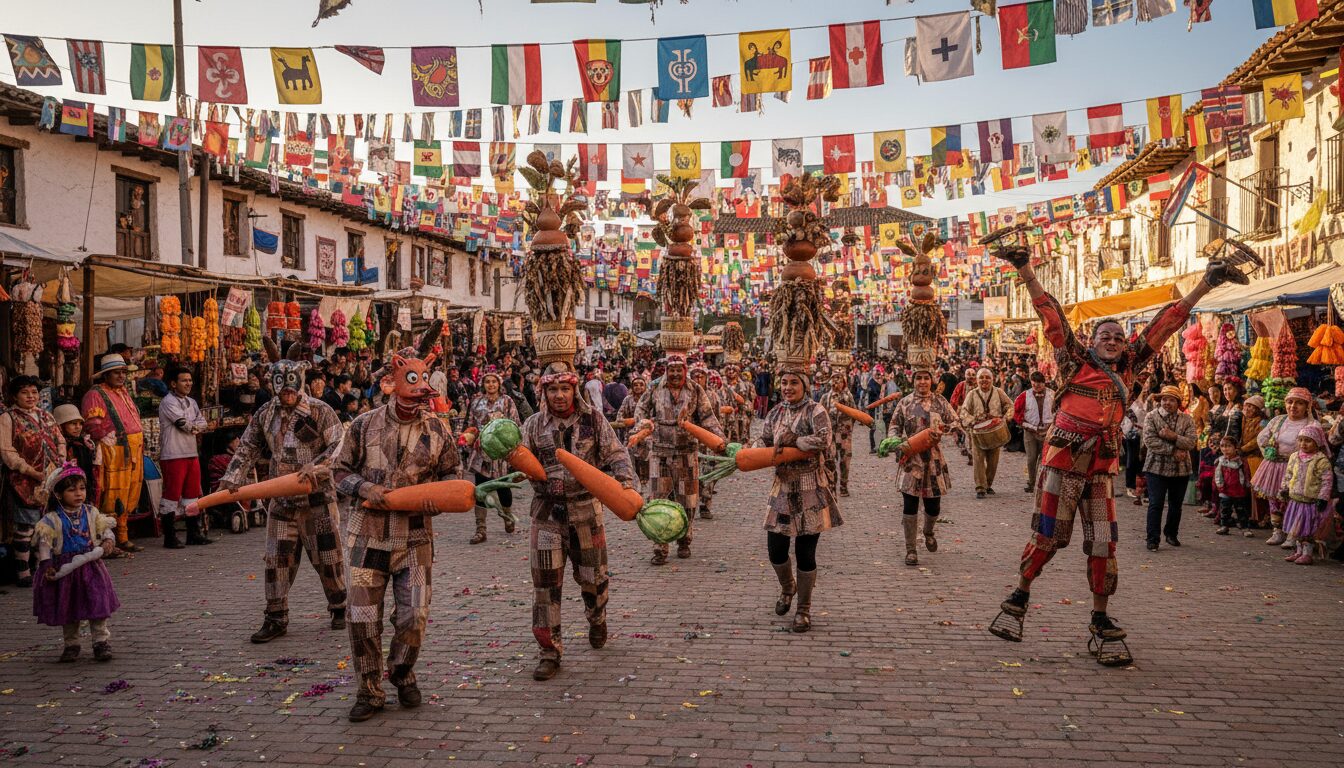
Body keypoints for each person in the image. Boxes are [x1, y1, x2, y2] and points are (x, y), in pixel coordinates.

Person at [985, 227, 1230, 665]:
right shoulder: (1073, 360)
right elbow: (1053, 318)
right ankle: (1018, 597)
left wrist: (1206, 283)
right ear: (1092, 342)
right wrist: (1025, 269)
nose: (1114, 340)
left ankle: (1100, 617)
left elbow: (1167, 322)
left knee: (1104, 542)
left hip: (1101, 468)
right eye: (1106, 336)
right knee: (1050, 536)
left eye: (1119, 336)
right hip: (1063, 461)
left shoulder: (1134, 364)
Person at [332, 327, 484, 722]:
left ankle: (401, 672)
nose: (418, 401)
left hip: (415, 538)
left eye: (423, 394)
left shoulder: (437, 430)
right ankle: (368, 688)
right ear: (392, 387)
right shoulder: (363, 426)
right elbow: (338, 472)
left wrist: (436, 499)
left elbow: (455, 473)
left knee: (413, 616)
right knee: (363, 618)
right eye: (411, 391)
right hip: (367, 537)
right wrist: (366, 488)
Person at [208, 344, 347, 645]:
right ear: (272, 384)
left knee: (328, 557)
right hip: (281, 502)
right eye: (280, 385)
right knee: (276, 559)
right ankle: (275, 616)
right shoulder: (264, 414)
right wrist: (231, 478)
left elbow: (339, 445)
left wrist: (319, 466)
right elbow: (246, 447)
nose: (287, 392)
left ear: (302, 381)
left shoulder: (320, 412)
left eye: (292, 384)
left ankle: (339, 605)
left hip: (317, 500)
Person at [520, 360, 636, 680]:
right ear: (544, 391)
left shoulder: (593, 420)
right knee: (545, 586)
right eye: (552, 389)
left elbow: (616, 453)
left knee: (594, 579)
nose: (559, 395)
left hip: (586, 511)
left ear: (575, 390)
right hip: (546, 514)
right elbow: (519, 458)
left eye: (565, 388)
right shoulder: (532, 425)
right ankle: (549, 651)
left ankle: (596, 616)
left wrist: (625, 483)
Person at [758, 368, 841, 632]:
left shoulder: (816, 411)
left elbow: (824, 439)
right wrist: (744, 453)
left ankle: (803, 610)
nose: (788, 387)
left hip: (810, 489)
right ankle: (787, 587)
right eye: (784, 382)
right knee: (776, 550)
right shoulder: (775, 412)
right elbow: (764, 440)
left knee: (806, 553)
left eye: (794, 383)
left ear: (805, 386)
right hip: (782, 488)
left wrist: (797, 442)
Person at [635, 354, 722, 564]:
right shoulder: (655, 387)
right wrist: (644, 425)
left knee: (688, 500)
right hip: (660, 452)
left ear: (685, 370)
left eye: (679, 370)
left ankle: (684, 540)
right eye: (671, 370)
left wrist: (720, 441)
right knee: (658, 499)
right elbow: (641, 410)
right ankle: (660, 546)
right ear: (666, 370)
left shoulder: (695, 389)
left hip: (687, 452)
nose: (675, 374)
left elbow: (708, 417)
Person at [31, 463, 120, 662]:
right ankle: (71, 643)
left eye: (82, 488)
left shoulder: (91, 512)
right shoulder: (52, 519)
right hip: (66, 570)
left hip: (91, 568)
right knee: (69, 606)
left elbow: (105, 530)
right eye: (72, 490)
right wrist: (46, 564)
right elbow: (45, 544)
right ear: (59, 494)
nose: (78, 494)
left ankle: (100, 641)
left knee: (96, 602)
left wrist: (107, 542)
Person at [880, 369, 957, 566]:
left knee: (933, 505)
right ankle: (911, 549)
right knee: (910, 503)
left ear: (932, 380)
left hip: (933, 460)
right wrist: (895, 440)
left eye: (926, 378)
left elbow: (955, 421)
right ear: (913, 381)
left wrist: (943, 430)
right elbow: (895, 424)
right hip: (910, 458)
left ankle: (929, 531)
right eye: (918, 378)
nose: (922, 382)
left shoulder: (940, 401)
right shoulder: (905, 402)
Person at [1, 376, 65, 585]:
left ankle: (41, 567)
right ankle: (23, 571)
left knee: (45, 525)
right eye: (24, 393)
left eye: (34, 392)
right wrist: (29, 471)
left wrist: (60, 463)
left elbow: (59, 440)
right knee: (26, 526)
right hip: (23, 480)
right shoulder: (8, 418)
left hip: (50, 479)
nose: (31, 397)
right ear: (14, 396)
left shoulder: (45, 415)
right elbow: (7, 451)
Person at [80, 354, 145, 553]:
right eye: (117, 372)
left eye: (123, 372)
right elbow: (92, 423)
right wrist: (106, 439)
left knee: (129, 492)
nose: (121, 376)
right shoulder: (96, 394)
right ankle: (107, 542)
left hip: (132, 449)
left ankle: (123, 537)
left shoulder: (123, 392)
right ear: (106, 374)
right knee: (112, 494)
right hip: (114, 450)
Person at [1254, 387, 1318, 548]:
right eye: (1290, 402)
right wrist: (1268, 451)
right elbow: (1262, 437)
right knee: (1274, 499)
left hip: (1298, 470)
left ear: (1307, 406)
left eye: (1299, 403)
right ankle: (1277, 531)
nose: (1293, 406)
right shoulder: (1278, 420)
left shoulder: (1312, 424)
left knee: (1294, 502)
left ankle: (1292, 534)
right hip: (1275, 466)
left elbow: (1319, 448)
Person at [463, 369, 521, 544]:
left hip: (502, 454)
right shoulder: (476, 403)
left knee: (504, 488)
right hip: (482, 455)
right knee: (480, 490)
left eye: (494, 382)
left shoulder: (507, 402)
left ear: (499, 384)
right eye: (487, 382)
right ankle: (481, 529)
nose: (491, 385)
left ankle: (508, 516)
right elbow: (470, 424)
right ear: (483, 384)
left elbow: (515, 423)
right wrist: (469, 437)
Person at [157, 367, 211, 549]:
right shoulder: (167, 402)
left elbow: (202, 422)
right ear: (173, 384)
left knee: (192, 494)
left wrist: (196, 426)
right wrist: (196, 427)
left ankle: (193, 533)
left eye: (190, 380)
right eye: (184, 380)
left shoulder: (192, 402)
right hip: (173, 453)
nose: (188, 383)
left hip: (191, 453)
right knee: (171, 495)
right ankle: (169, 536)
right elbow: (184, 424)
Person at [1142, 386, 1198, 551]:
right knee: (1156, 503)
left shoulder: (1187, 419)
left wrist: (1173, 436)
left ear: (1178, 403)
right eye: (1165, 399)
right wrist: (1173, 450)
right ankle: (1153, 538)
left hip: (1181, 469)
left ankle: (1171, 534)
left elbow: (1191, 442)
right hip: (1155, 468)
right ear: (1160, 400)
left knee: (1176, 504)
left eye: (1172, 400)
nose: (1167, 403)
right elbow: (1150, 441)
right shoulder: (1151, 417)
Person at [1278, 423, 1332, 566]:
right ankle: (1298, 551)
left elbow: (1326, 481)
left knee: (1306, 528)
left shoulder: (1320, 460)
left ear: (1317, 442)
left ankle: (1307, 553)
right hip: (1295, 499)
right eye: (1301, 440)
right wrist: (1284, 488)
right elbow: (1288, 474)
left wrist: (1323, 498)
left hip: (1310, 501)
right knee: (1296, 528)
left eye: (1307, 441)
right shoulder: (1295, 456)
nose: (1303, 444)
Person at [959, 368, 1013, 499]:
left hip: (995, 432)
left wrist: (1005, 418)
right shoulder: (972, 394)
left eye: (987, 377)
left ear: (992, 379)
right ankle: (980, 487)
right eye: (981, 377)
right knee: (978, 459)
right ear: (977, 380)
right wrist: (972, 421)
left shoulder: (999, 392)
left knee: (993, 461)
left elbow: (1010, 406)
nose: (984, 380)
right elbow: (964, 411)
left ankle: (988, 484)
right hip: (977, 432)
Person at [1013, 372, 1055, 493]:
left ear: (1044, 382)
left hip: (1048, 432)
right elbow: (1016, 414)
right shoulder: (1024, 396)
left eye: (1039, 383)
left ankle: (1043, 484)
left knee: (1044, 459)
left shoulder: (1053, 395)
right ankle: (1031, 482)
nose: (1036, 385)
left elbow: (1058, 411)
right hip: (1030, 432)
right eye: (1034, 382)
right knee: (1031, 458)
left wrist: (1051, 426)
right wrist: (1029, 426)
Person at [819, 369, 858, 497]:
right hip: (831, 435)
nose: (836, 382)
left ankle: (843, 485)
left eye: (839, 379)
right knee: (830, 460)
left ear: (844, 381)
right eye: (834, 379)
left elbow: (854, 413)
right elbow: (820, 414)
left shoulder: (848, 397)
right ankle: (831, 485)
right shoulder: (825, 397)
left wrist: (848, 428)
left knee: (845, 461)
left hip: (845, 435)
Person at [55, 404, 100, 501]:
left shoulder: (83, 443)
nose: (78, 427)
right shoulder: (59, 446)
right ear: (60, 426)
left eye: (80, 424)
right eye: (73, 424)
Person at [614, 377, 650, 491]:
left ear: (645, 386)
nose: (638, 387)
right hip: (629, 436)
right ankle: (634, 489)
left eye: (641, 384)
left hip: (647, 437)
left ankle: (646, 487)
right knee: (630, 464)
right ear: (632, 387)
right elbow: (619, 418)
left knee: (646, 463)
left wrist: (639, 422)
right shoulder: (627, 400)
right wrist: (630, 421)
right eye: (636, 385)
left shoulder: (649, 399)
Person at [1213, 435, 1253, 536]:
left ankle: (1245, 528)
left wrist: (1247, 485)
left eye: (1228, 446)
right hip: (1225, 490)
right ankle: (1224, 526)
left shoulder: (1241, 461)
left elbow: (1246, 474)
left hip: (1238, 490)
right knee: (1225, 509)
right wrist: (1219, 486)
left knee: (1241, 510)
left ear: (1235, 447)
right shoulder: (1220, 461)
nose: (1225, 449)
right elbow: (1218, 475)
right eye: (1222, 446)